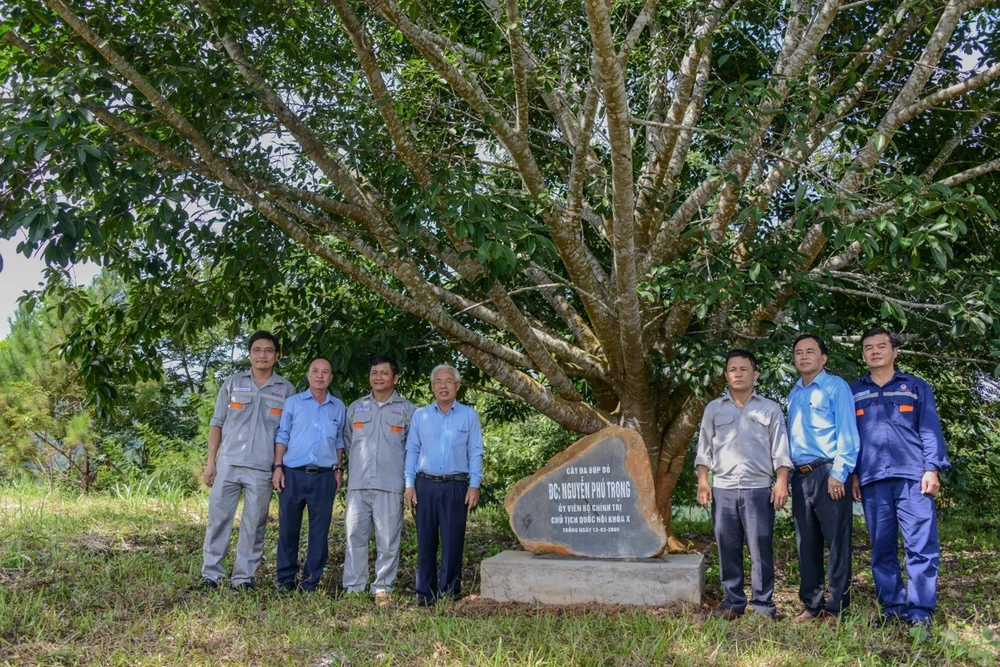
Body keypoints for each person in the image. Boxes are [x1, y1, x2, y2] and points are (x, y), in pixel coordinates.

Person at [850, 328, 950, 628]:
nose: (875, 351)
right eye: (868, 347)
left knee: (920, 546)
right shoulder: (854, 392)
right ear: (863, 354)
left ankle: (920, 612)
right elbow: (849, 437)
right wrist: (853, 474)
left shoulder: (915, 387)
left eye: (881, 346)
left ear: (895, 351)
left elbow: (930, 429)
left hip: (913, 477)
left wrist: (932, 468)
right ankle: (892, 607)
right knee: (881, 548)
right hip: (872, 478)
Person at [696, 349, 791, 620]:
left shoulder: (770, 408)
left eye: (743, 369)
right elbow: (704, 449)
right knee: (727, 546)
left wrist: (781, 481)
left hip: (758, 488)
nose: (737, 374)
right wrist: (703, 482)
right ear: (726, 375)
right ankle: (733, 602)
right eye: (732, 369)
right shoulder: (714, 408)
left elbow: (780, 449)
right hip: (723, 488)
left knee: (760, 547)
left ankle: (763, 606)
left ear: (755, 374)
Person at [199, 330, 296, 591]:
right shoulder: (232, 383)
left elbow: (286, 433)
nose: (262, 355)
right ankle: (211, 575)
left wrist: (279, 466)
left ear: (277, 356)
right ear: (250, 354)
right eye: (257, 350)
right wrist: (211, 462)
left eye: (268, 350)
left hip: (262, 467)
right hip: (228, 464)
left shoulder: (286, 389)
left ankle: (243, 578)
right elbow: (217, 423)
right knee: (218, 520)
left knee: (255, 524)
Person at [787, 333, 860, 625]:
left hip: (829, 473)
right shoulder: (794, 393)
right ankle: (811, 604)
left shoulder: (835, 387)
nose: (804, 356)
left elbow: (848, 434)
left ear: (823, 358)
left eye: (810, 351)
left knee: (837, 542)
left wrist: (838, 474)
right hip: (800, 475)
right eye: (798, 352)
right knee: (806, 542)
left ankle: (837, 608)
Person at [403, 364, 483, 606]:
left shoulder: (468, 415)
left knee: (452, 541)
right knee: (425, 541)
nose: (443, 386)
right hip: (425, 484)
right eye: (438, 382)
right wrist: (409, 484)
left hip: (456, 485)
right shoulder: (421, 415)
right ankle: (425, 594)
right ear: (432, 387)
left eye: (448, 381)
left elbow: (475, 451)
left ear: (457, 386)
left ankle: (449, 594)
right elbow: (412, 450)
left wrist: (474, 484)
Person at [341, 356, 416, 604]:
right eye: (374, 373)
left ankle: (383, 587)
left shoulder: (408, 410)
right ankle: (354, 587)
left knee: (388, 539)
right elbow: (348, 442)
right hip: (358, 484)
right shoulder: (356, 408)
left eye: (384, 373)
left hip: (390, 484)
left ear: (395, 378)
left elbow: (413, 448)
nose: (378, 377)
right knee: (354, 537)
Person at [272, 358, 346, 592]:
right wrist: (278, 467)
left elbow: (339, 440)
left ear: (331, 377)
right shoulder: (293, 403)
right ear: (308, 375)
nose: (320, 376)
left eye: (325, 372)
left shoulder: (338, 407)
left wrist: (338, 470)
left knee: (319, 532)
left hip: (324, 476)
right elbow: (282, 435)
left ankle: (311, 581)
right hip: (292, 474)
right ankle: (286, 579)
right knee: (288, 529)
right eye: (315, 371)